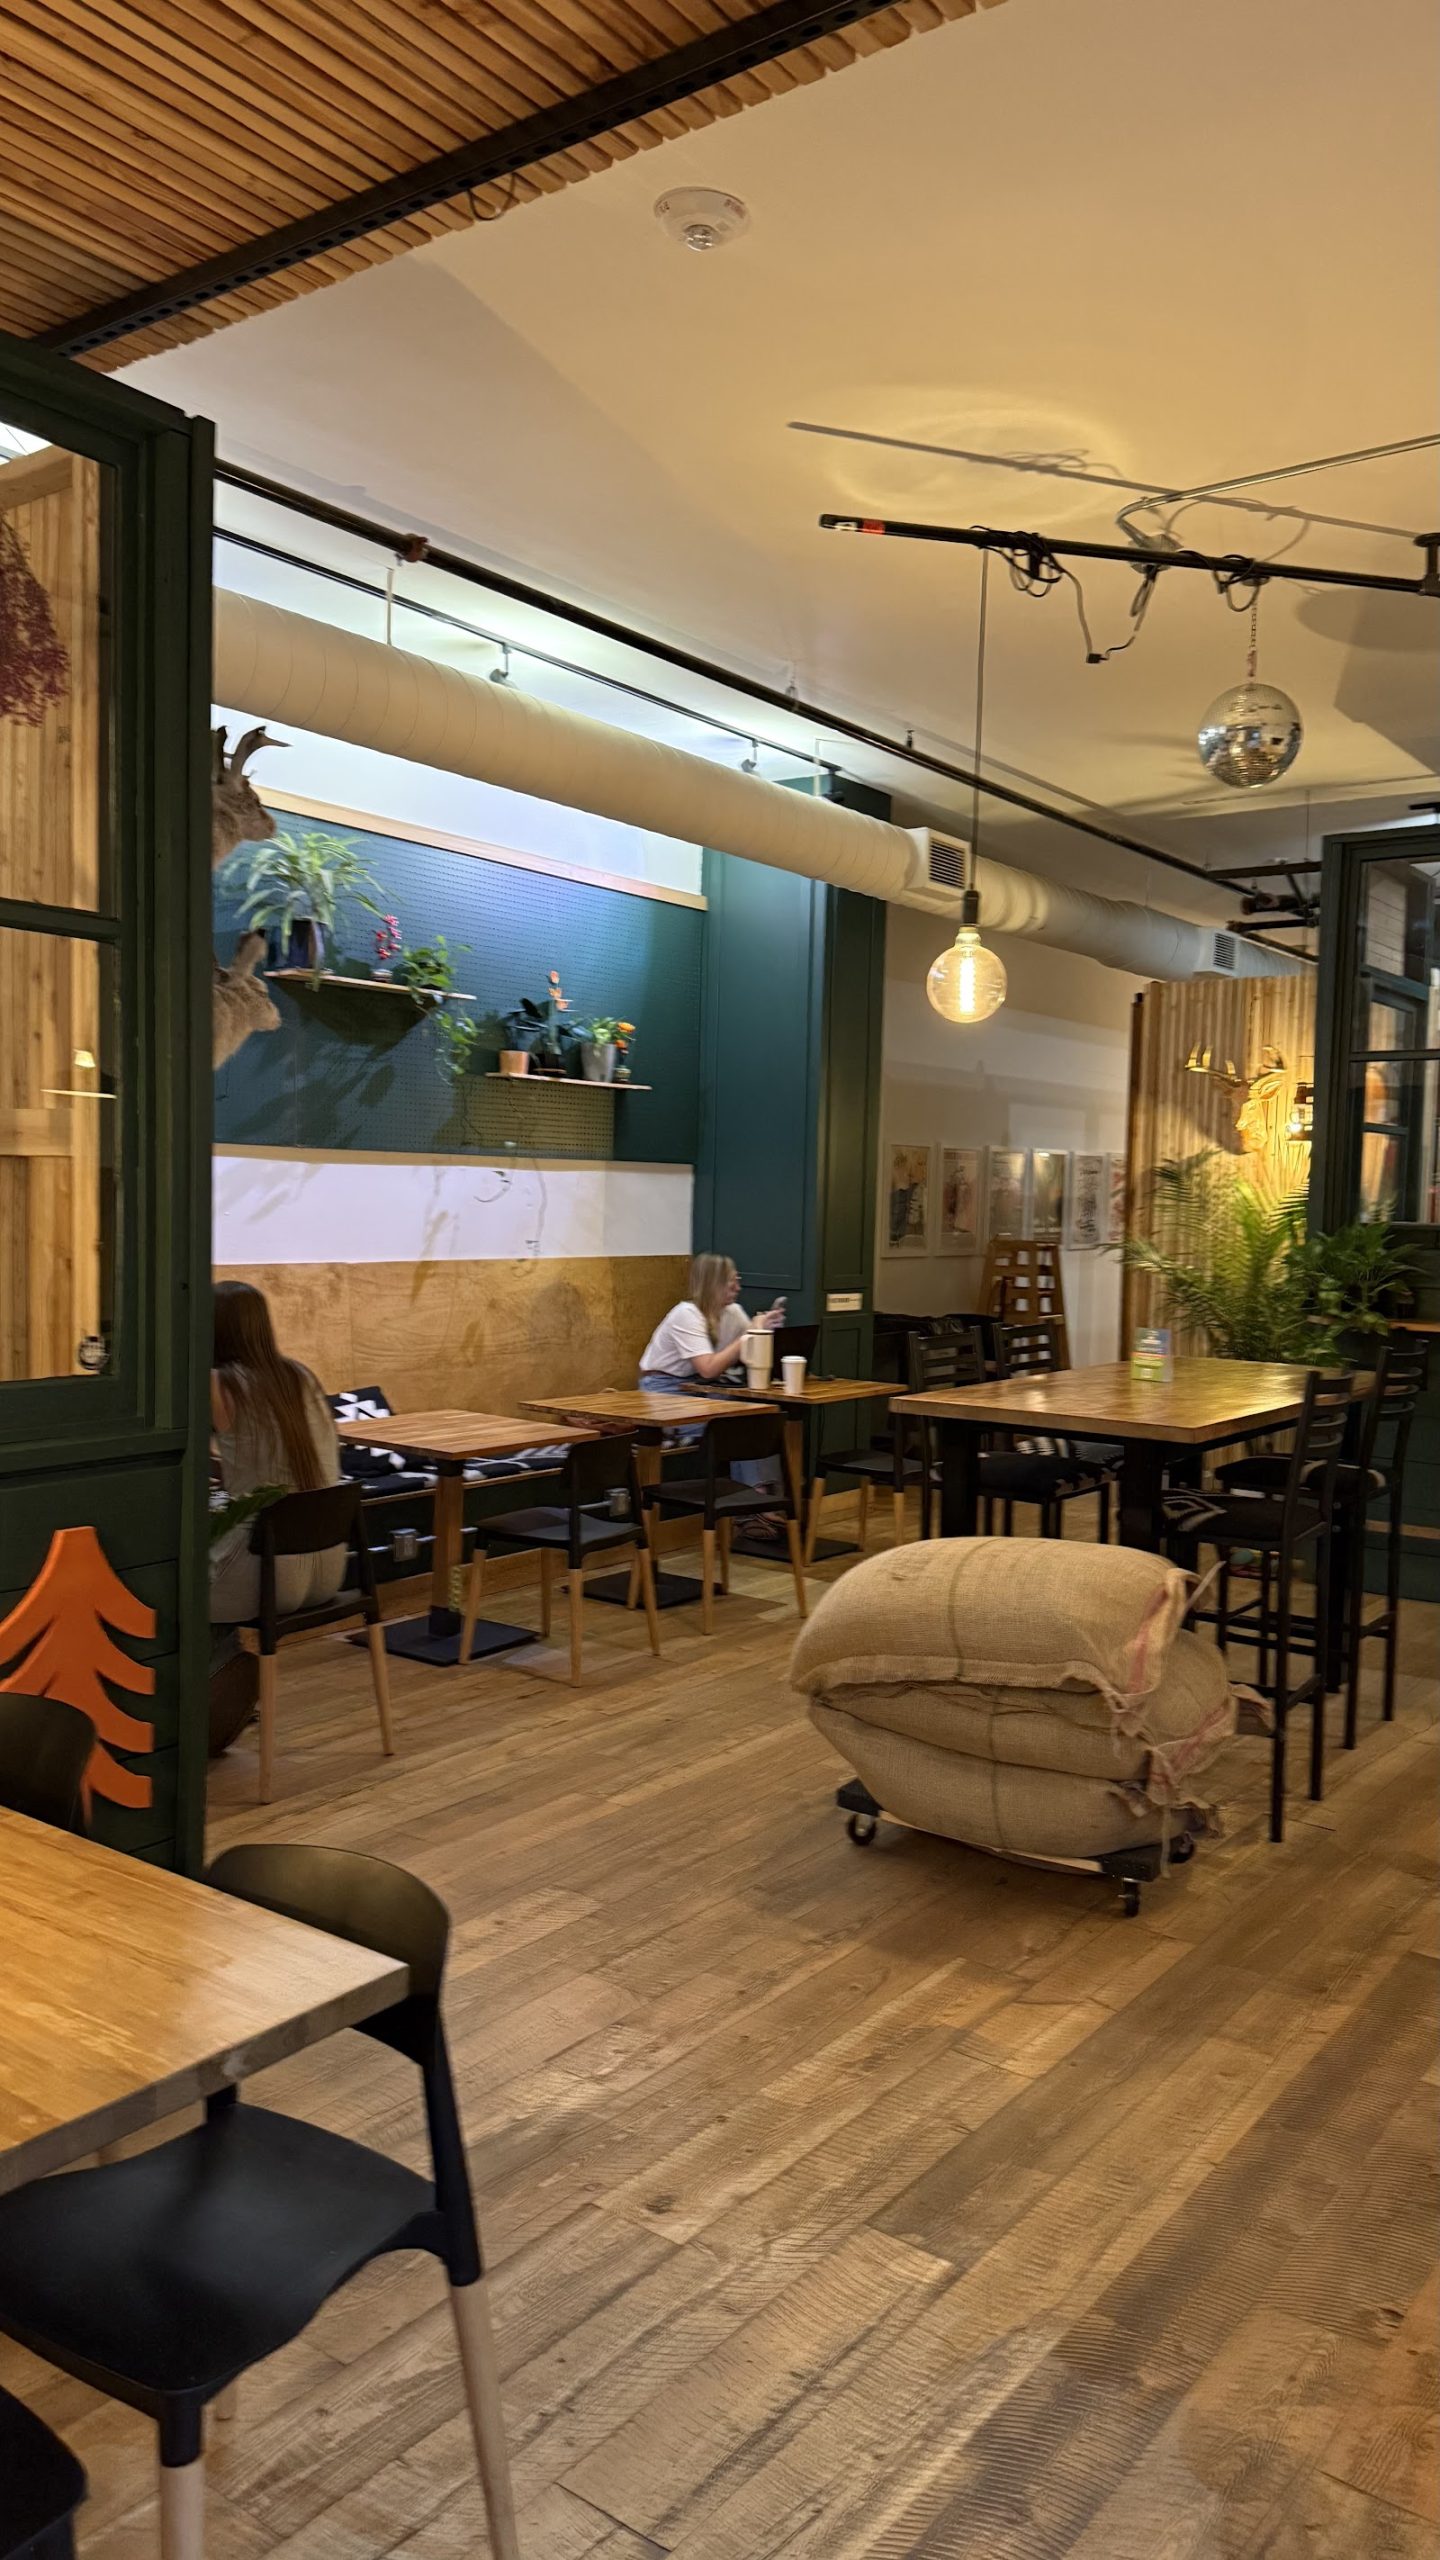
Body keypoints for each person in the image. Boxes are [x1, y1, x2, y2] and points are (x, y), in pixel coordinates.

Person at [209, 1279, 348, 1628]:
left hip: (261, 1572)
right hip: (328, 1570)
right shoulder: (301, 1375)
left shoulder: (217, 1383)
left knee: (157, 1586)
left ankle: (211, 1680)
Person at [638, 1253, 784, 1390]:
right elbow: (708, 1369)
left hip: (700, 1383)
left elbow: (747, 1350)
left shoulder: (733, 1311)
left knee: (755, 1407)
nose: (738, 1288)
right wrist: (751, 1333)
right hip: (664, 1383)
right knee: (727, 1409)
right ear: (713, 1285)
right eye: (732, 1282)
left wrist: (765, 1329)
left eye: (738, 1281)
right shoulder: (686, 1314)